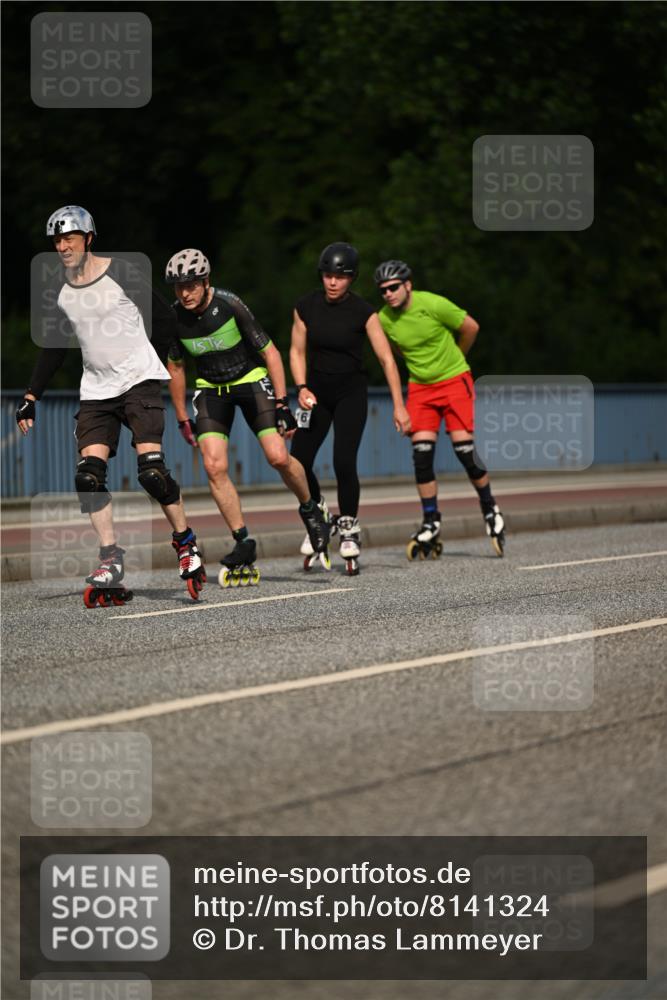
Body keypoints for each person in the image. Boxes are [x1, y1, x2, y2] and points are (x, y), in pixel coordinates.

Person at [16, 205, 207, 605]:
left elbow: (165, 321)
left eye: (69, 238)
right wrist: (32, 397)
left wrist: (147, 363)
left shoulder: (121, 274)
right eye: (57, 240)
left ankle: (186, 543)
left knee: (151, 474)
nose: (63, 246)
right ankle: (111, 558)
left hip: (138, 384)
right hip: (96, 391)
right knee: (88, 477)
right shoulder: (61, 289)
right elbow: (54, 346)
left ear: (88, 238)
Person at [164, 248, 330, 580]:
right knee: (214, 466)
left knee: (278, 457)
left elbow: (270, 352)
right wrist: (182, 416)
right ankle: (243, 541)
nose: (185, 293)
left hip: (250, 382)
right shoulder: (175, 317)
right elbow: (176, 367)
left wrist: (283, 403)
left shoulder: (229, 304)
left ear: (206, 281)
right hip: (211, 391)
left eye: (192, 285)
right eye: (179, 287)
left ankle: (313, 511)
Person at [289, 242, 411, 574]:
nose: (332, 282)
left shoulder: (364, 312)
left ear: (351, 279)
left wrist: (399, 406)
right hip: (316, 394)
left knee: (343, 460)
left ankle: (349, 527)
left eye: (340, 277)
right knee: (297, 461)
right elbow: (297, 351)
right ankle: (321, 514)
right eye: (327, 275)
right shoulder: (305, 307)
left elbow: (386, 359)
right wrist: (300, 387)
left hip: (350, 394)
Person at [374, 259, 505, 557]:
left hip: (454, 381)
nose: (389, 294)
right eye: (383, 290)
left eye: (394, 287)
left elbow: (471, 327)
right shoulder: (383, 319)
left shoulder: (432, 304)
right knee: (421, 456)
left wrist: (457, 359)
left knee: (465, 453)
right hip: (421, 388)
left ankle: (489, 507)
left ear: (408, 285)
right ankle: (431, 521)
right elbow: (395, 350)